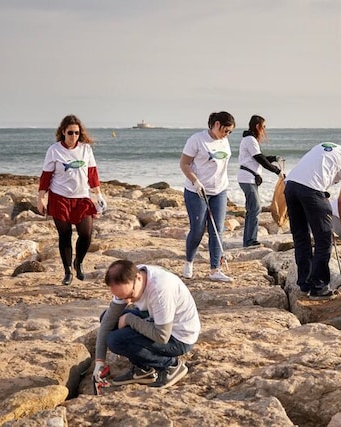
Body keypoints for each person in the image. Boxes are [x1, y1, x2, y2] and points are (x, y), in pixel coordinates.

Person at [284, 141, 341, 299]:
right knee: (324, 239)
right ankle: (318, 288)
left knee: (301, 237)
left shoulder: (328, 147)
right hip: (311, 190)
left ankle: (304, 284)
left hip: (290, 186)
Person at [92, 260, 200, 388]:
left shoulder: (160, 289)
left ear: (138, 278)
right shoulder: (127, 280)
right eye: (122, 298)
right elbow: (108, 322)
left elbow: (162, 336)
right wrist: (99, 362)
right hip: (154, 320)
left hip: (178, 337)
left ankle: (170, 366)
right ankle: (144, 370)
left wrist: (130, 319)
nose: (128, 301)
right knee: (107, 318)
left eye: (130, 296)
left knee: (116, 340)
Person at [37, 115, 106, 286]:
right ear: (63, 132)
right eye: (70, 133)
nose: (73, 136)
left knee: (86, 234)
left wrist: (99, 195)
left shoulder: (86, 149)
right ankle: (67, 271)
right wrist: (40, 198)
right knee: (65, 235)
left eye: (76, 133)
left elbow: (92, 174)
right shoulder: (54, 150)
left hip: (82, 198)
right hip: (59, 197)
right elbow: (46, 176)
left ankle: (79, 262)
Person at [179, 111, 235, 282]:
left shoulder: (224, 141)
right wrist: (195, 181)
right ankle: (189, 262)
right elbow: (184, 163)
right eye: (226, 130)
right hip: (197, 191)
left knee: (217, 230)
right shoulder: (197, 140)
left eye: (230, 132)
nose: (227, 135)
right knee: (197, 229)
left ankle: (215, 269)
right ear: (216, 124)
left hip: (219, 191)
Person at [237, 115, 283, 248]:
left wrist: (274, 158)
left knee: (252, 208)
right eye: (263, 127)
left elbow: (257, 157)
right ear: (257, 126)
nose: (264, 130)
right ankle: (250, 241)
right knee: (255, 208)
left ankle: (249, 240)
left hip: (249, 178)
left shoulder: (250, 139)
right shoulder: (250, 139)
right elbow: (260, 159)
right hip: (247, 178)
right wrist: (277, 171)